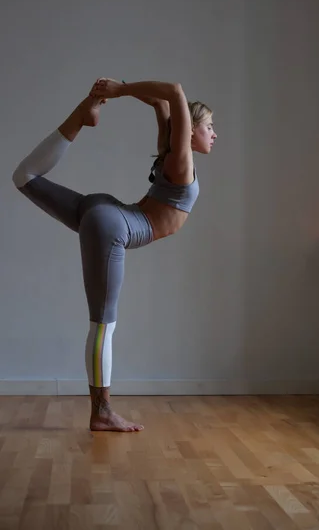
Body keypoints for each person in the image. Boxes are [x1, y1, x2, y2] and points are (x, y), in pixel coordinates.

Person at [12, 78, 217, 432]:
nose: (214, 135)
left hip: (105, 210)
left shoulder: (171, 152)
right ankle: (101, 411)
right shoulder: (180, 158)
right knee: (103, 326)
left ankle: (81, 116)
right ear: (191, 129)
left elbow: (161, 103)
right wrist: (120, 90)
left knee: (24, 176)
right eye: (210, 127)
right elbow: (174, 91)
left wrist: (120, 94)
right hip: (112, 227)